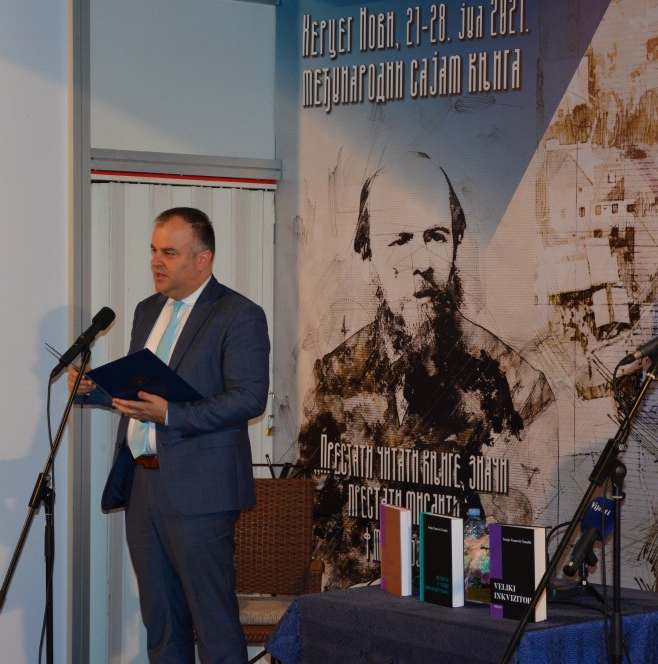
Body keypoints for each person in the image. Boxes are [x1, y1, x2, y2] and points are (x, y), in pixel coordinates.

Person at [298, 151, 554, 586]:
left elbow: (520, 538)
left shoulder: (516, 385)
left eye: (436, 236)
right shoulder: (335, 377)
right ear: (368, 256)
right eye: (399, 240)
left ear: (456, 244)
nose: (422, 262)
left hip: (458, 603)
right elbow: (315, 514)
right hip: (359, 603)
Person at [70, 206, 270, 664]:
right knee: (161, 622)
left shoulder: (238, 314)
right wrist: (92, 390)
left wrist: (173, 415)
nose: (156, 262)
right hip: (143, 485)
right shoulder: (147, 311)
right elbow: (139, 392)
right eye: (153, 251)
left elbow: (249, 398)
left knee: (213, 624)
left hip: (201, 491)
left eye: (169, 253)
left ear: (202, 259)